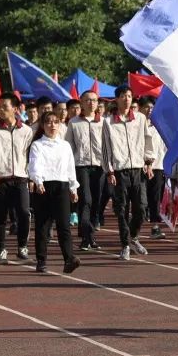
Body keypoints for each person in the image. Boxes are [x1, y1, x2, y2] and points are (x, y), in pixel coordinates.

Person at [102, 86, 154, 261]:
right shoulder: (108, 122)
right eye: (123, 96)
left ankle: (133, 236)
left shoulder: (139, 118)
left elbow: (148, 139)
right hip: (119, 170)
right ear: (117, 99)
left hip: (138, 169)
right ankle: (125, 244)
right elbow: (105, 148)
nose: (127, 99)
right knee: (122, 209)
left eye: (130, 96)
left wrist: (149, 162)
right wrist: (109, 170)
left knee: (141, 207)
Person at [27, 110, 81, 274]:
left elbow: (70, 167)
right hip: (43, 187)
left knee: (64, 225)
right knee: (43, 225)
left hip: (62, 186)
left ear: (60, 124)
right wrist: (38, 180)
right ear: (43, 126)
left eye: (56, 122)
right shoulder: (37, 145)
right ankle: (41, 260)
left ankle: (69, 259)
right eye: (48, 122)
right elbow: (35, 164)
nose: (52, 125)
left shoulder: (65, 146)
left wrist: (73, 187)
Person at [0, 95, 32, 264]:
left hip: (21, 178)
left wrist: (31, 175)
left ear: (15, 109)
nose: (0, 109)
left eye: (4, 106)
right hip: (2, 178)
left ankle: (22, 246)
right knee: (1, 215)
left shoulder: (26, 130)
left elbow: (29, 155)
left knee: (24, 212)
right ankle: (1, 248)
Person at [64, 90, 104, 251]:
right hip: (81, 166)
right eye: (87, 100)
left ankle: (90, 235)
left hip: (100, 166)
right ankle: (87, 237)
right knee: (85, 200)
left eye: (94, 100)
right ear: (81, 102)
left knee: (96, 201)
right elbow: (68, 147)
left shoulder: (103, 122)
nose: (91, 103)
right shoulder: (73, 123)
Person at [137, 96, 168, 240]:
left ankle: (155, 227)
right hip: (140, 167)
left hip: (158, 166)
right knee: (141, 201)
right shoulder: (135, 125)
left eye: (152, 108)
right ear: (140, 108)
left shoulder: (160, 125)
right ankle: (134, 228)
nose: (150, 110)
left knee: (156, 198)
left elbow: (164, 146)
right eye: (146, 107)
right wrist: (145, 163)